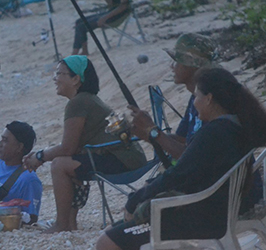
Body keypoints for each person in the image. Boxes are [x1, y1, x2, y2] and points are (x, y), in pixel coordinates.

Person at [96, 67, 266, 250]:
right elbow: (190, 164)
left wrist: (134, 201)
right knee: (116, 230)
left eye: (196, 96)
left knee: (107, 242)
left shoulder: (215, 132)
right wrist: (153, 134)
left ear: (208, 99)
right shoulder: (235, 126)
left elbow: (177, 175)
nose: (194, 102)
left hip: (205, 219)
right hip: (218, 210)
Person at [23, 56, 147, 233]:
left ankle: (62, 224)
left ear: (76, 79)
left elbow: (67, 148)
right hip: (128, 157)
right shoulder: (87, 99)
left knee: (60, 165)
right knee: (69, 160)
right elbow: (71, 147)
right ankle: (70, 223)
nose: (54, 78)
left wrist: (40, 156)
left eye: (59, 73)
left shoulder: (78, 102)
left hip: (122, 160)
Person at [131, 33, 217, 160]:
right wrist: (147, 133)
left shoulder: (210, 103)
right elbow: (182, 140)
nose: (172, 66)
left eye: (177, 62)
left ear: (192, 66)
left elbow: (190, 157)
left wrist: (153, 130)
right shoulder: (196, 98)